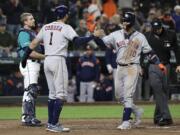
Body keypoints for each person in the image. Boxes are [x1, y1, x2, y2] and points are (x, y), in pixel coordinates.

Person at [21, 5, 102, 133]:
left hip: (47, 61)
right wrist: (93, 36)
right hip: (58, 60)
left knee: (52, 94)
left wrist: (24, 58)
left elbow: (33, 44)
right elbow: (78, 42)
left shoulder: (46, 27)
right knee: (61, 95)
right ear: (65, 15)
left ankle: (50, 123)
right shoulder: (66, 27)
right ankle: (53, 124)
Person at [94, 12, 167, 130]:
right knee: (119, 96)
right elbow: (103, 44)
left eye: (127, 21)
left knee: (128, 96)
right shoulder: (116, 34)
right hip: (120, 68)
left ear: (132, 23)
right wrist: (96, 37)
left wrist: (159, 64)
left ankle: (126, 121)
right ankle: (137, 111)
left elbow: (149, 53)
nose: (124, 23)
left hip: (132, 68)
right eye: (123, 21)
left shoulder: (140, 36)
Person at [145, 19, 180, 126]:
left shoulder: (170, 35)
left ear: (162, 26)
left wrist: (179, 64)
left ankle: (157, 117)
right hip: (153, 66)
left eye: (159, 28)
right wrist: (140, 66)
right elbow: (141, 52)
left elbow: (177, 50)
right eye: (155, 29)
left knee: (163, 92)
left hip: (166, 66)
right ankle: (166, 117)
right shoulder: (147, 36)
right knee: (157, 88)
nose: (157, 30)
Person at [17, 12, 45, 126]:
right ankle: (27, 118)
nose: (33, 20)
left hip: (34, 64)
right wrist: (45, 57)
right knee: (30, 90)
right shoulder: (24, 33)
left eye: (33, 18)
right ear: (25, 22)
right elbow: (30, 53)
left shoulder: (32, 33)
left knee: (31, 90)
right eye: (31, 19)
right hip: (29, 63)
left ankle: (29, 116)